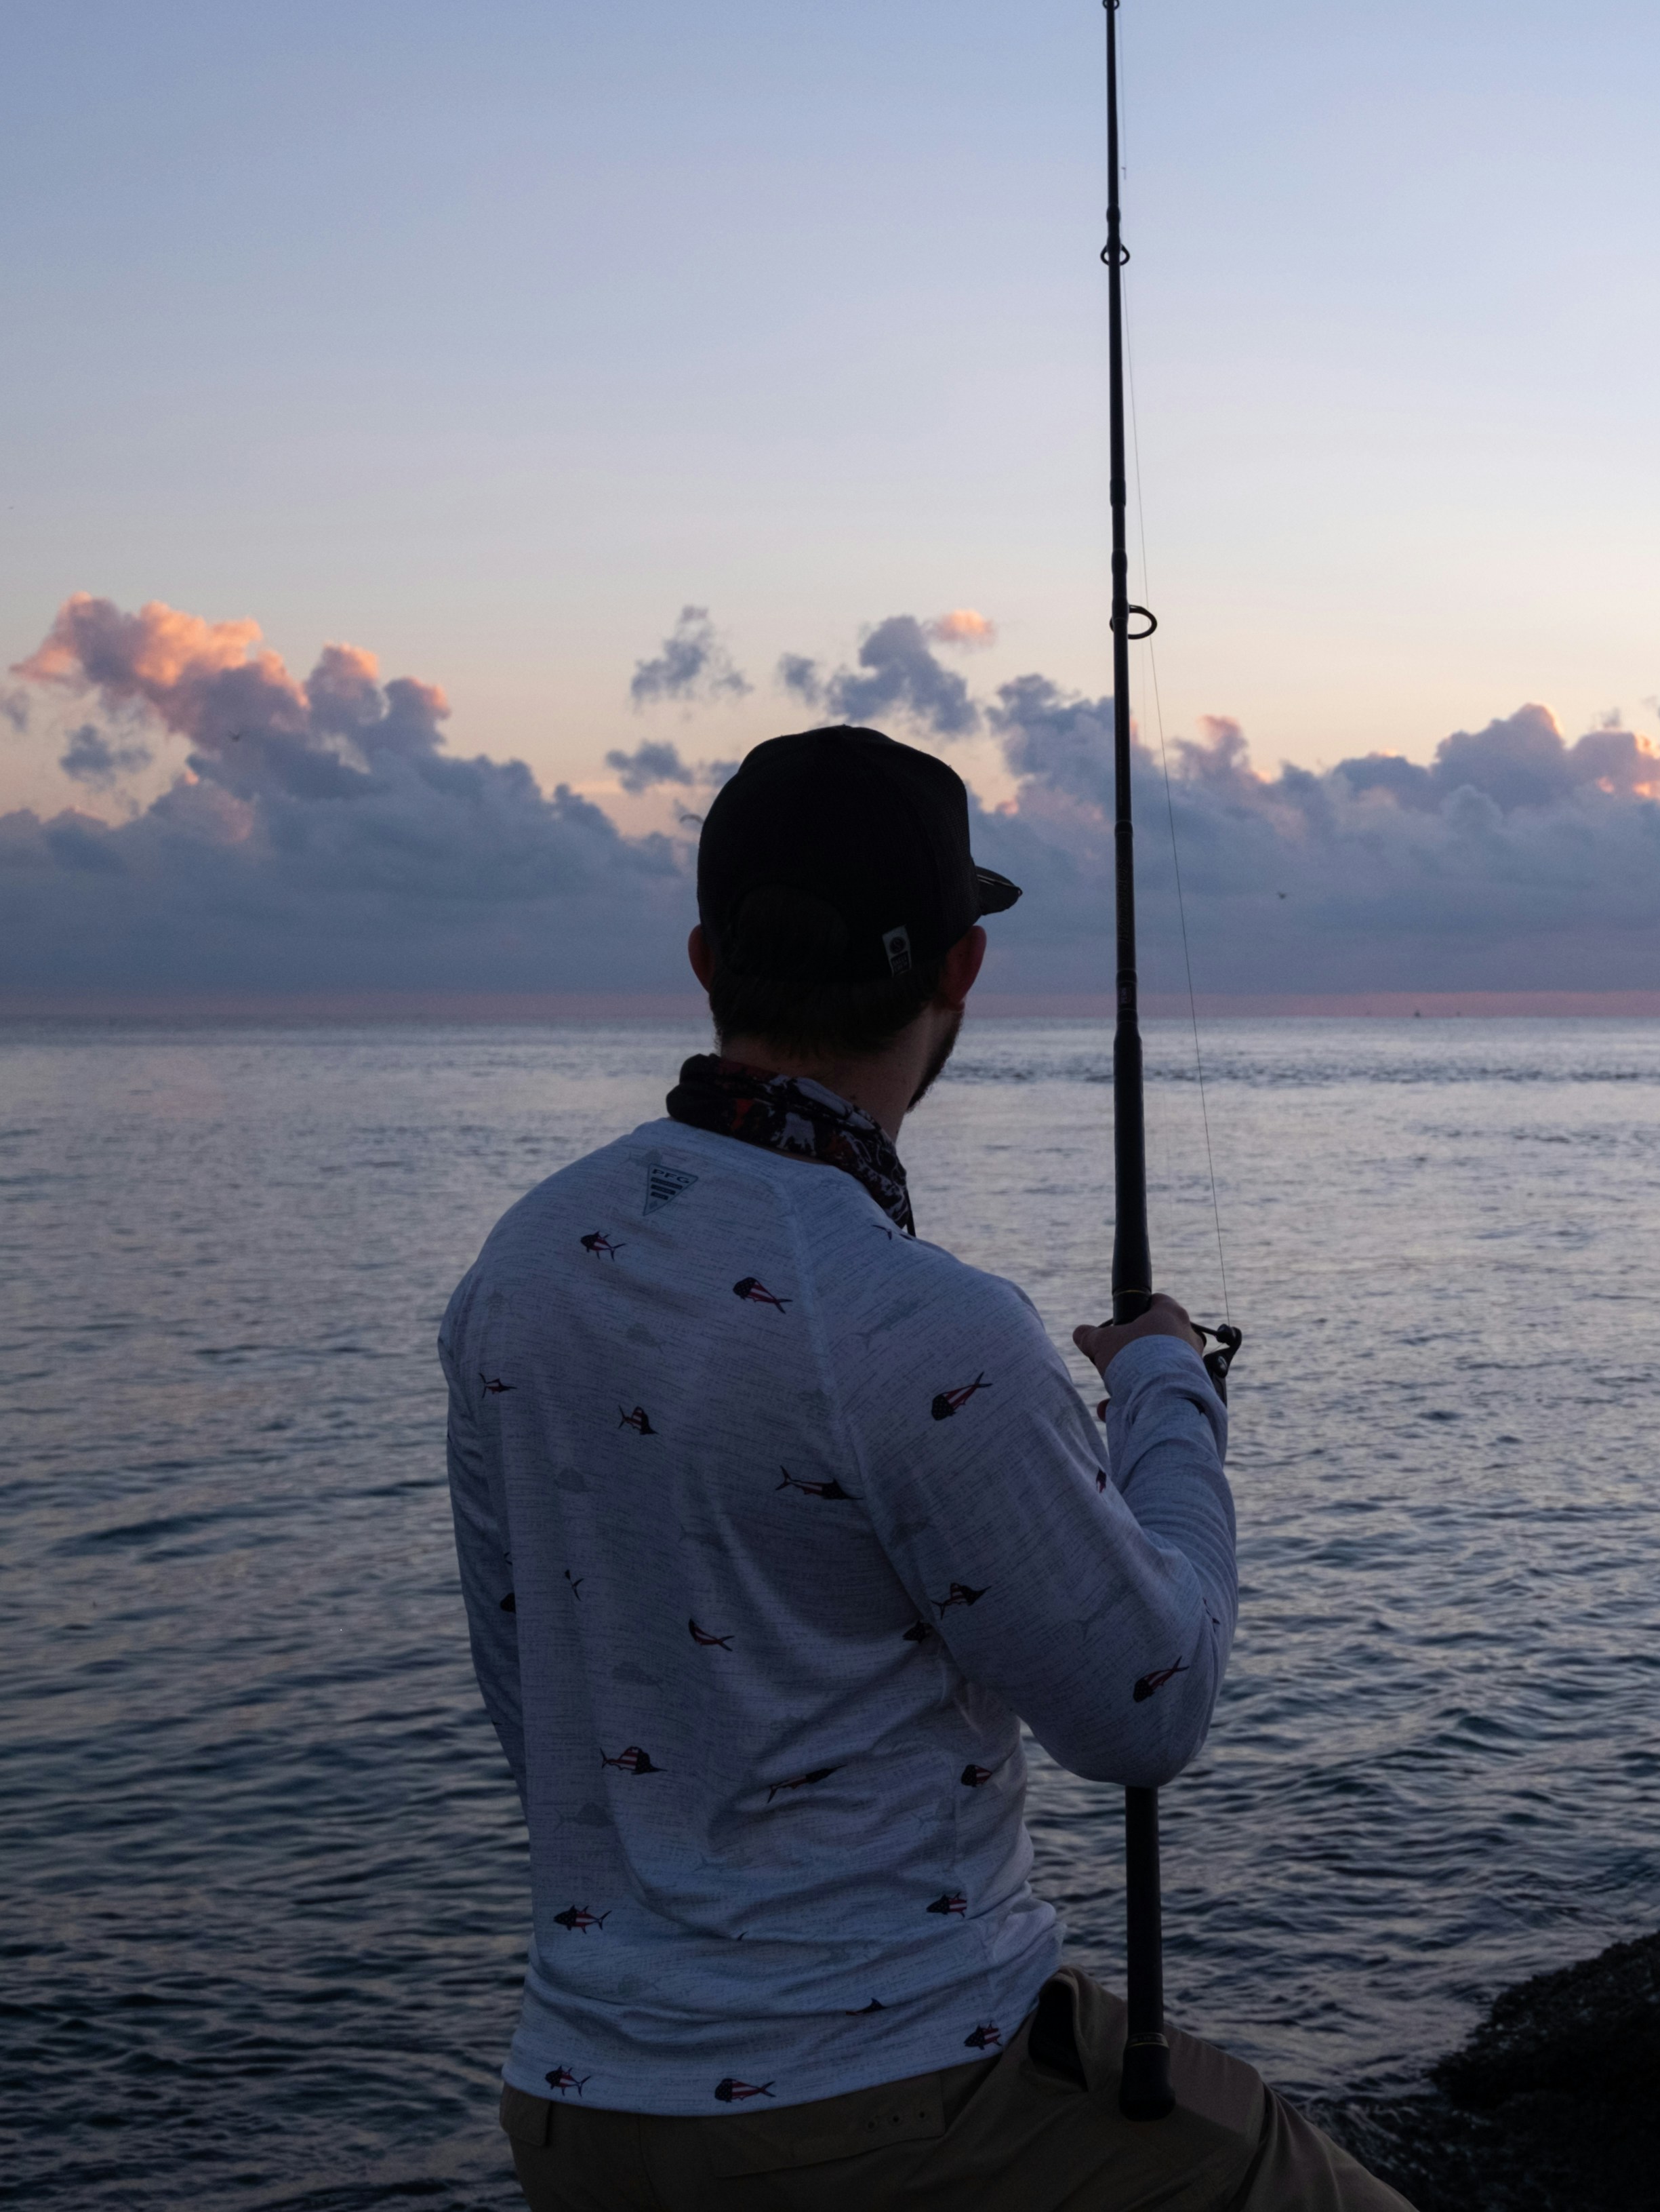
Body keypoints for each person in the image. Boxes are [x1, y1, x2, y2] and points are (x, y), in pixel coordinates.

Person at [439, 725, 1409, 2210]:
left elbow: (534, 1687)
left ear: (708, 960)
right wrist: (1165, 1392)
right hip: (902, 2103)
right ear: (959, 973)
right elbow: (1150, 1703)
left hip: (579, 2110)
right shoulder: (916, 1321)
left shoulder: (523, 1266)